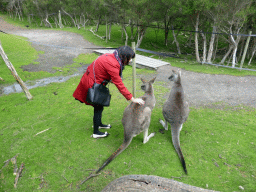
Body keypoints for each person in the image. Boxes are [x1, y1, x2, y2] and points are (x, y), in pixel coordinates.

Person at [73, 46, 145, 138]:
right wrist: (132, 99)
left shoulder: (113, 57)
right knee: (98, 107)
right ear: (124, 56)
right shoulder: (113, 64)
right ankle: (96, 132)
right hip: (92, 84)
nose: (130, 60)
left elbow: (103, 70)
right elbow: (119, 84)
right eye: (129, 58)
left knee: (100, 105)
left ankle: (99, 124)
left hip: (95, 81)